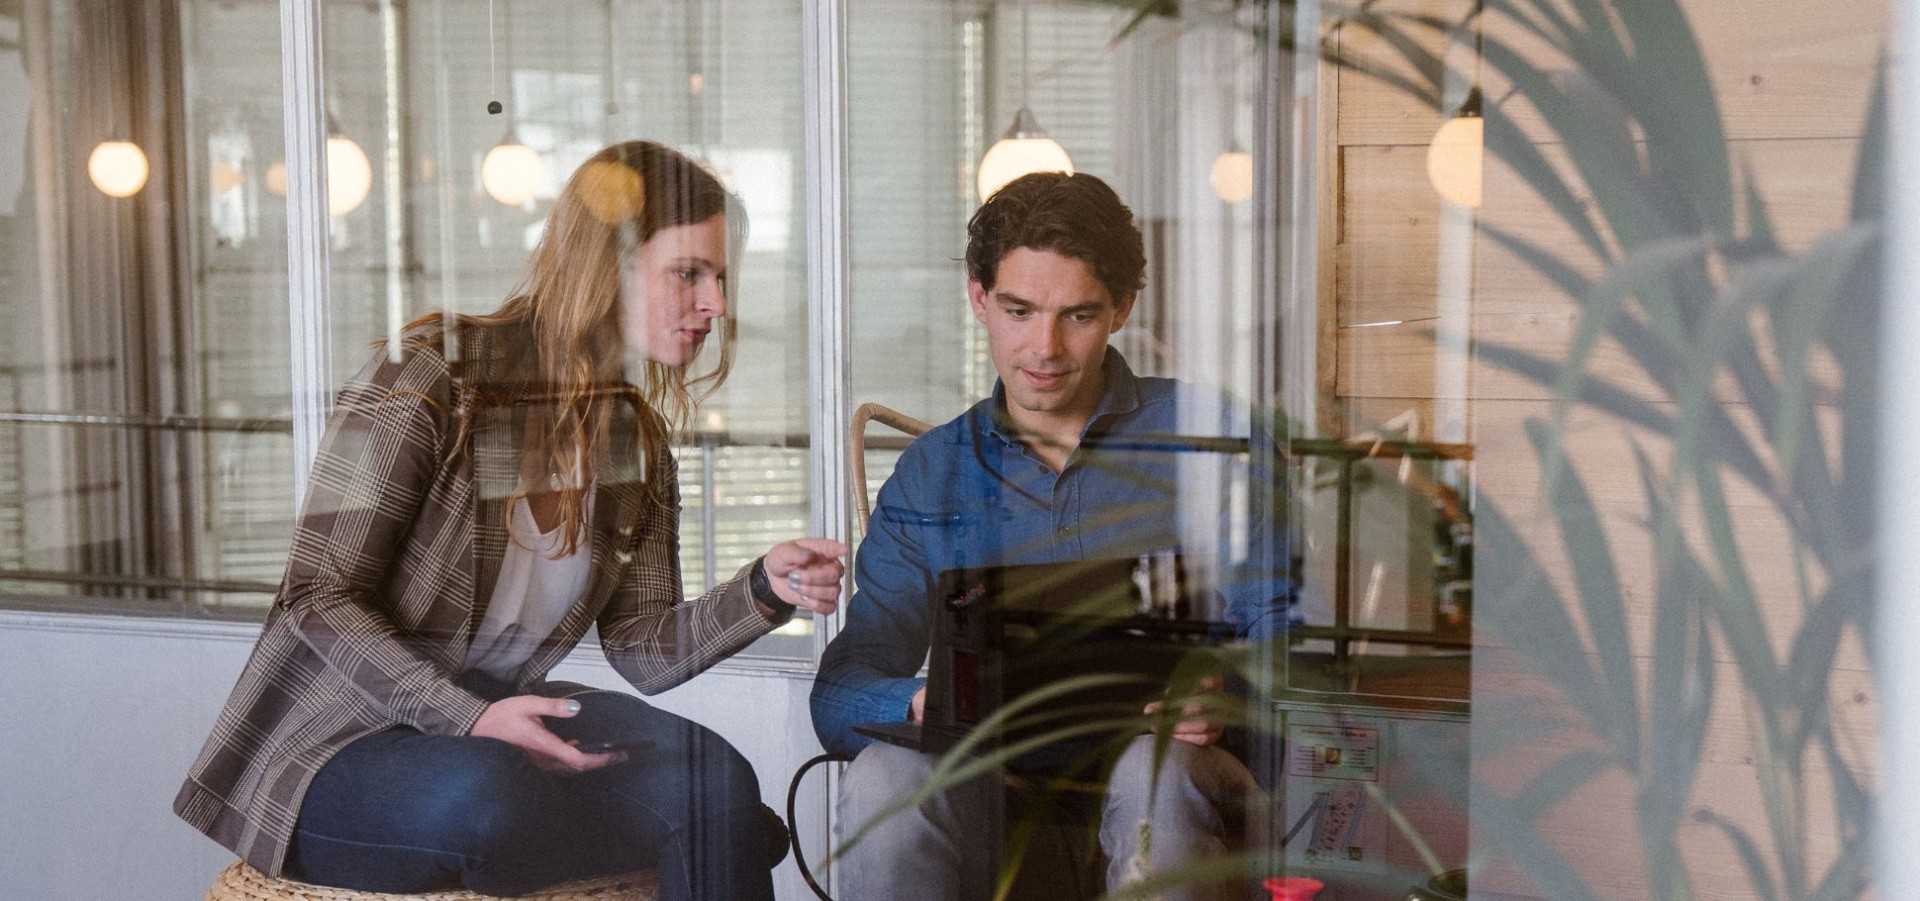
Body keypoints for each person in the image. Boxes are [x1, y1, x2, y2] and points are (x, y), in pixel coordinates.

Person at [175, 140, 847, 900]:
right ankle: (708, 831)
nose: (716, 305)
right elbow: (315, 597)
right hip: (340, 742)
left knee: (712, 774)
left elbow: (641, 651)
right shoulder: (431, 375)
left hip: (503, 732)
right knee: (507, 799)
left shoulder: (637, 442)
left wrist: (763, 587)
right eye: (688, 273)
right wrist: (471, 715)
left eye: (720, 277)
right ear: (608, 266)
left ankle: (703, 820)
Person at [810, 171, 1292, 901]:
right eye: (1018, 310)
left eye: (1078, 315)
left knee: (1154, 774)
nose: (1045, 347)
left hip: (1175, 776)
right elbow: (841, 691)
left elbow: (1292, 646)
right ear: (979, 299)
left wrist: (1231, 694)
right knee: (885, 774)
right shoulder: (931, 473)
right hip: (995, 791)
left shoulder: (1216, 443)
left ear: (1122, 308)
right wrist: (918, 701)